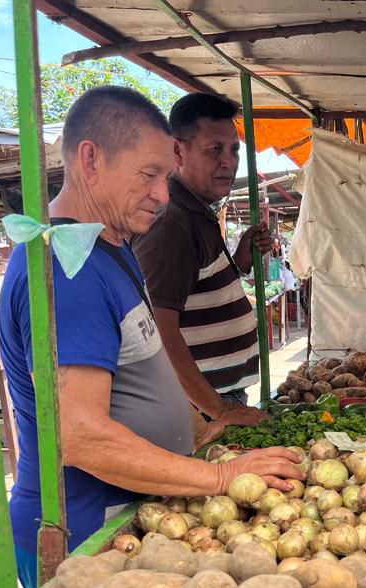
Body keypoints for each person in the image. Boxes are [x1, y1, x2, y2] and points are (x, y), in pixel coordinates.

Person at [0, 87, 301, 588]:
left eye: (166, 174)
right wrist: (222, 479)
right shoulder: (66, 269)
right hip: (85, 531)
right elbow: (79, 435)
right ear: (90, 159)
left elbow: (142, 367)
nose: (163, 193)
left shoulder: (106, 248)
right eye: (149, 174)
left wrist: (199, 431)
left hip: (127, 512)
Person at [133, 92, 272, 432]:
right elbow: (158, 331)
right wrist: (217, 409)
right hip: (197, 411)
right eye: (214, 150)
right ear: (177, 151)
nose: (229, 161)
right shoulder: (170, 221)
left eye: (234, 149)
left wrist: (239, 260)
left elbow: (194, 288)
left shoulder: (196, 210)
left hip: (215, 399)